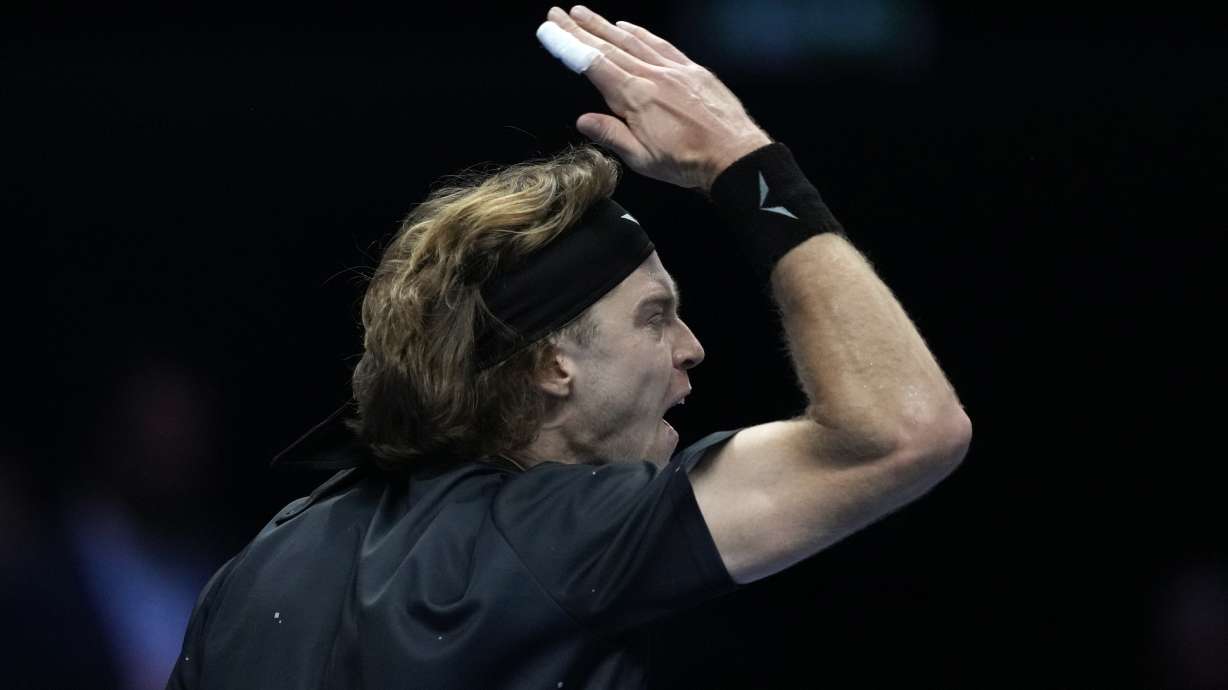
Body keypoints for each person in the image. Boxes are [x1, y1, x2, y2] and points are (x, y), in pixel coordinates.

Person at [166, 6, 972, 689]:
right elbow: (904, 430)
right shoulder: (563, 535)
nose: (692, 349)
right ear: (552, 363)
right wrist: (745, 164)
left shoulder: (249, 576)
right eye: (656, 317)